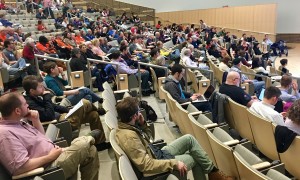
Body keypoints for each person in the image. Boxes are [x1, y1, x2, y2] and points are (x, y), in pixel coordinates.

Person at [115, 97, 233, 179]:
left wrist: (143, 124)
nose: (140, 112)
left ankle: (214, 173)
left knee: (189, 139)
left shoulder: (129, 127)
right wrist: (174, 163)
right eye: (138, 111)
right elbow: (146, 166)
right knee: (194, 159)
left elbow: (149, 139)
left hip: (156, 153)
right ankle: (215, 175)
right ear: (134, 115)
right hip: (154, 166)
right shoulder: (129, 137)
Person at [0, 92, 99, 179]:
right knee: (81, 146)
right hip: (46, 170)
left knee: (91, 150)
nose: (28, 106)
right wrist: (50, 157)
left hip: (55, 155)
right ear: (17, 111)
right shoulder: (5, 134)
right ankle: (87, 138)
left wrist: (36, 120)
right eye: (25, 104)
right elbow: (20, 168)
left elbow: (42, 138)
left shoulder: (19, 122)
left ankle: (86, 140)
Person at [22, 75, 111, 150]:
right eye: (40, 87)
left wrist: (71, 111)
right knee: (84, 102)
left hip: (64, 117)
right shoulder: (30, 103)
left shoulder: (36, 95)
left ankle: (100, 143)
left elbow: (55, 107)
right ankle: (97, 109)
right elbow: (48, 116)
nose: (43, 89)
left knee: (93, 115)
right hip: (59, 124)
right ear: (32, 91)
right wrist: (47, 97)